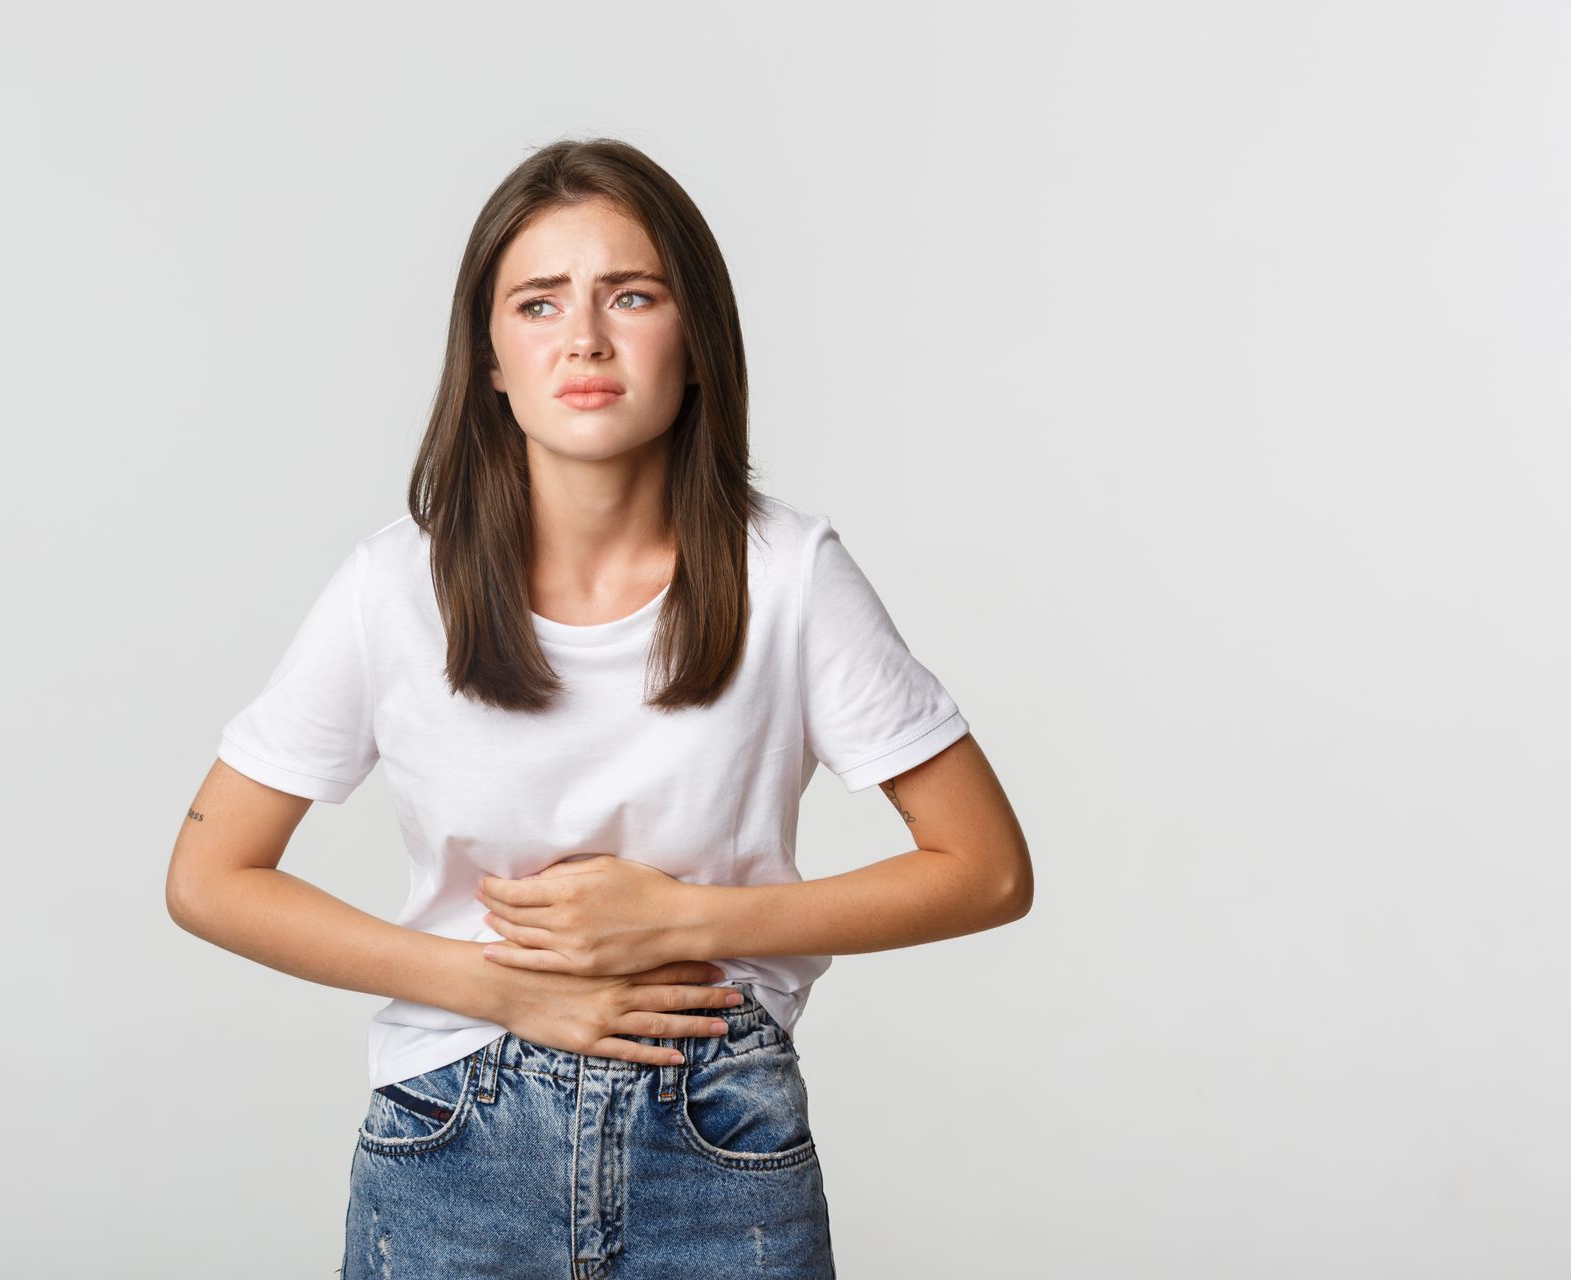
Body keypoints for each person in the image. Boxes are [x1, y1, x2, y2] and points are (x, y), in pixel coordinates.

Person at [166, 135, 1033, 1279]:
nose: (583, 336)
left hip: (718, 1132)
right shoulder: (394, 585)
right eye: (537, 303)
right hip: (453, 1140)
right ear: (489, 357)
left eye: (631, 295)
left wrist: (686, 921)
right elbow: (209, 876)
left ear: (697, 344)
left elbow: (987, 868)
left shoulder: (790, 574)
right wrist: (494, 985)